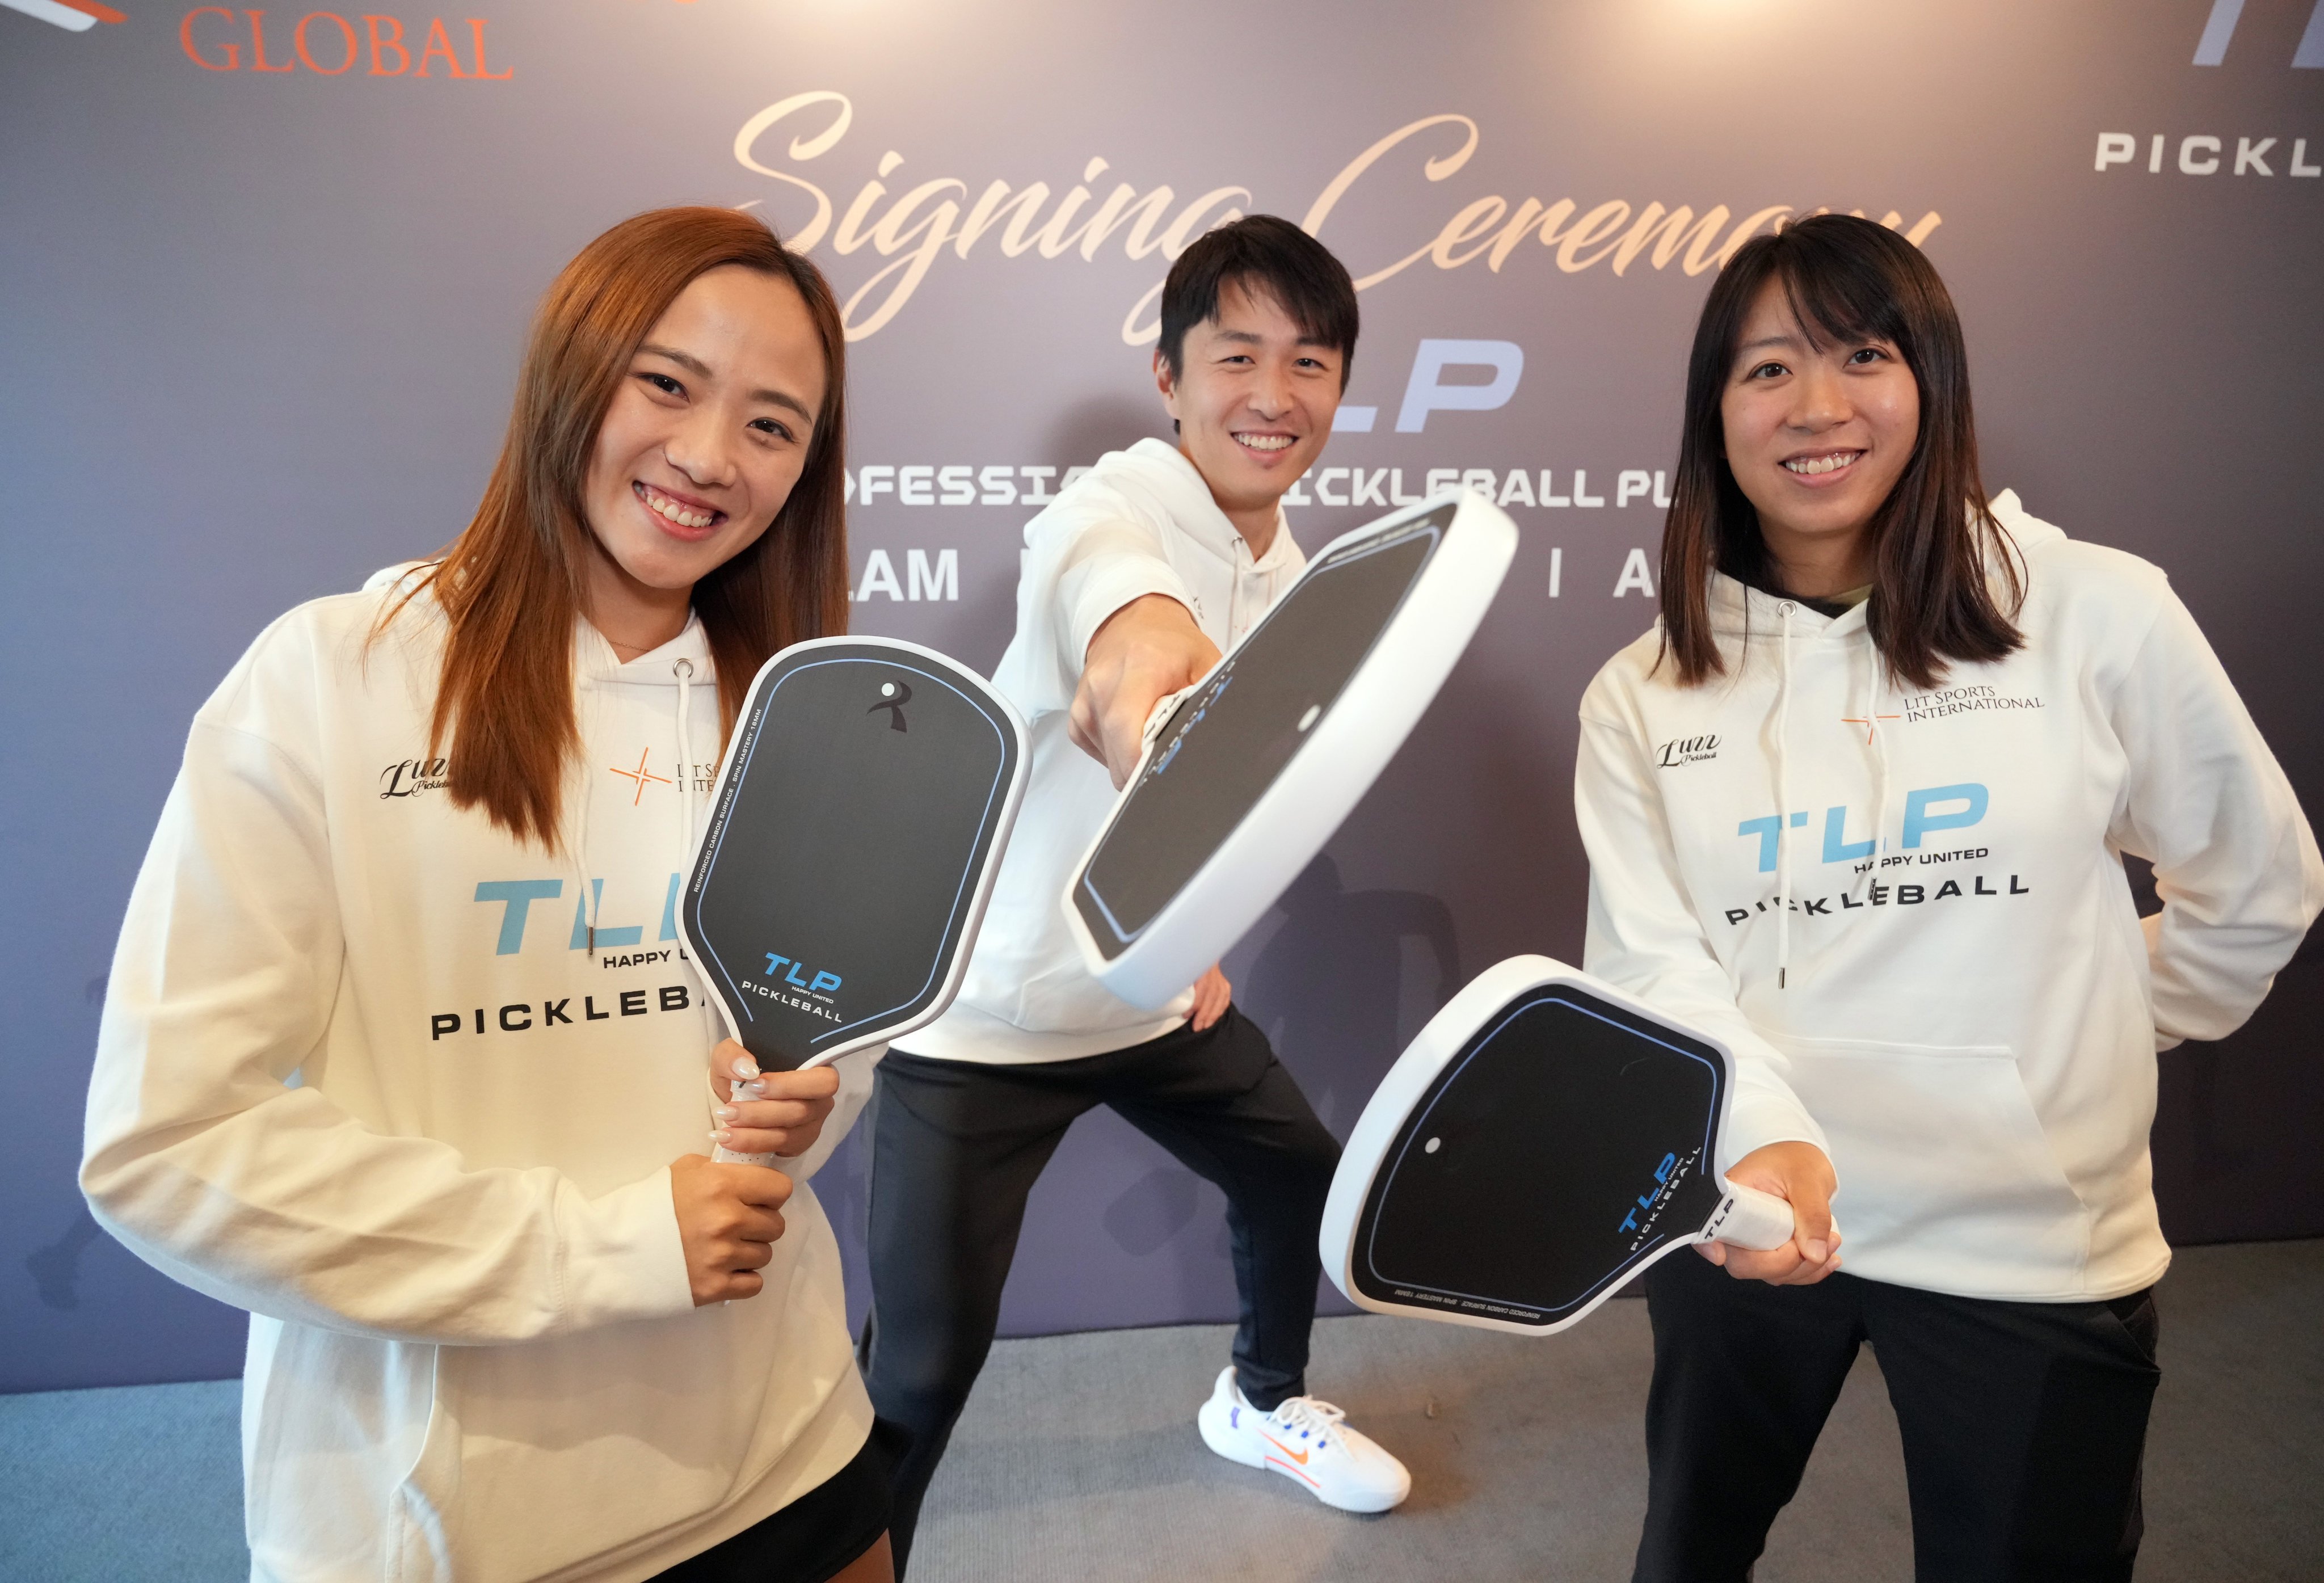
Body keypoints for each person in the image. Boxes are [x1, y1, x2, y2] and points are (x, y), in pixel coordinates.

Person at [81, 208, 900, 1583]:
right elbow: (171, 1144)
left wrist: (807, 1101)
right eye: (667, 384)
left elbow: (833, 1051)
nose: (708, 459)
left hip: (789, 1445)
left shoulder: (804, 720)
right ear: (573, 373)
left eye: (773, 426)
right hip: (449, 1525)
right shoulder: (331, 680)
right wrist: (607, 1249)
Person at [1573, 212, 2323, 1581]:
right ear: (1712, 415)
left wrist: (2092, 1027)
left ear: (1931, 380)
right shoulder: (1641, 690)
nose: (1815, 408)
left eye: (1861, 354)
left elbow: (2255, 881)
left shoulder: (2096, 611)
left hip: (2030, 1243)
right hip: (1749, 1216)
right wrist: (1759, 1133)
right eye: (1763, 370)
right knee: (1690, 1549)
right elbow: (1649, 969)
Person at [858, 214, 1411, 1570]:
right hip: (981, 1015)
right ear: (1168, 379)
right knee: (918, 1380)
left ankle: (1261, 1403)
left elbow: (1234, 809)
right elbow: (1125, 621)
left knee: (1298, 1182)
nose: (1273, 398)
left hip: (1148, 1000)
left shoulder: (1297, 575)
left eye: (1310, 363)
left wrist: (1192, 931)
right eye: (1235, 357)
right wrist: (1138, 669)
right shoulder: (1096, 514)